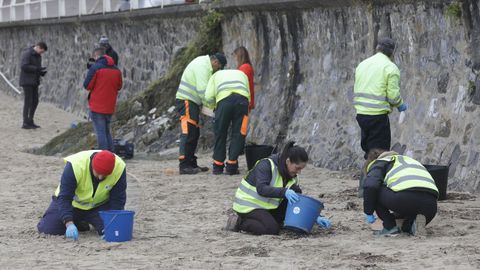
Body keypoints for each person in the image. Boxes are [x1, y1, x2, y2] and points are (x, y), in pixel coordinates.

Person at [225, 141, 331, 235]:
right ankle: (239, 222)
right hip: (248, 205)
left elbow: (298, 201)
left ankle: (270, 219)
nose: (299, 172)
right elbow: (261, 189)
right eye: (297, 168)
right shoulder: (266, 165)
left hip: (267, 206)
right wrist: (284, 192)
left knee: (295, 193)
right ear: (288, 161)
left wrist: (315, 217)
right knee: (271, 229)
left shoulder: (292, 176)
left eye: (301, 169)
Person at [37, 150, 127, 240]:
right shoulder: (76, 166)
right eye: (98, 173)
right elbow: (65, 198)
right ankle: (77, 221)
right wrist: (69, 223)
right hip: (73, 205)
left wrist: (114, 222)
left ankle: (82, 220)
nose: (100, 178)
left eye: (105, 175)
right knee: (48, 229)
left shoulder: (119, 167)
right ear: (92, 166)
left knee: (111, 229)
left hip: (98, 207)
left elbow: (118, 199)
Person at [362, 148, 439, 236]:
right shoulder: (408, 161)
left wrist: (368, 211)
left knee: (374, 191)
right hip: (431, 204)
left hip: (404, 198)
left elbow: (371, 186)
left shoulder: (380, 163)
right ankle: (412, 226)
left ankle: (390, 227)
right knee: (406, 227)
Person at [353, 37, 407, 159]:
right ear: (392, 52)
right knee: (380, 153)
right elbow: (393, 97)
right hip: (377, 117)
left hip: (361, 115)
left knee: (369, 151)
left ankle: (367, 176)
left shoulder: (362, 64)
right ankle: (373, 177)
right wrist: (400, 105)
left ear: (377, 49)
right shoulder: (390, 68)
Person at [175, 53, 227, 174]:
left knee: (194, 132)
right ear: (216, 63)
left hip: (192, 101)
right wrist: (214, 106)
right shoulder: (202, 66)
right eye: (218, 68)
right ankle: (184, 166)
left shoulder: (205, 66)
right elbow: (203, 91)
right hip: (186, 100)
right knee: (188, 131)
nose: (217, 71)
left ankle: (191, 163)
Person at [204, 69, 250, 175]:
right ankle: (232, 166)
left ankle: (218, 166)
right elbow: (248, 94)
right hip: (242, 101)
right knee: (239, 134)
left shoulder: (215, 75)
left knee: (220, 132)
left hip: (224, 102)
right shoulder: (242, 74)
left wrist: (213, 107)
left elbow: (208, 96)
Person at [83, 47, 123, 151]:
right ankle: (111, 154)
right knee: (107, 131)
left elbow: (87, 85)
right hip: (110, 105)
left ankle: (104, 155)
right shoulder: (116, 69)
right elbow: (119, 86)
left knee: (100, 132)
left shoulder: (96, 68)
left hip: (97, 105)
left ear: (96, 56)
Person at [19, 41, 48, 129]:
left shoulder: (38, 55)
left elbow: (36, 69)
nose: (41, 53)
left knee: (35, 101)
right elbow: (24, 66)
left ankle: (30, 120)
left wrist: (40, 72)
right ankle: (25, 122)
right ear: (38, 47)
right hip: (27, 81)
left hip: (34, 81)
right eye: (41, 51)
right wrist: (37, 69)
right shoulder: (27, 53)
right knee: (28, 101)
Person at [233, 46, 255, 111]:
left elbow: (240, 85)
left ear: (239, 56)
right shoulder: (245, 67)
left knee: (243, 121)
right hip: (244, 103)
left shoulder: (245, 67)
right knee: (244, 121)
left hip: (243, 103)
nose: (235, 59)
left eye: (235, 56)